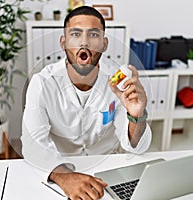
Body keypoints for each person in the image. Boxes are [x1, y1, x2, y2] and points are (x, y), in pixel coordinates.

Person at [21, 6, 152, 200]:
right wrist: (65, 177)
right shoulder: (42, 83)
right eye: (75, 34)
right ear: (63, 43)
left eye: (93, 34)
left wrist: (137, 115)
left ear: (104, 44)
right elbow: (33, 144)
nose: (84, 42)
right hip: (59, 171)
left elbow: (136, 147)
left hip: (109, 172)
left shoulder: (117, 83)